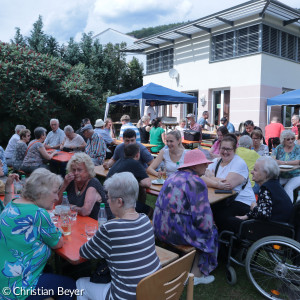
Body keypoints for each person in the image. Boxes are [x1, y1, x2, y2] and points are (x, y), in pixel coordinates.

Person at [76, 172, 160, 300]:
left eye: (109, 198)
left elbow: (83, 252)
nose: (107, 201)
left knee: (80, 284)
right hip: (152, 291)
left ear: (119, 202)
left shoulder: (110, 228)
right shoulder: (145, 220)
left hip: (125, 296)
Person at [0, 168, 76, 300]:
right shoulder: (39, 214)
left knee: (49, 270)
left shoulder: (11, 205)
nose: (57, 197)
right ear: (41, 193)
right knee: (70, 286)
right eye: (54, 192)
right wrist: (57, 232)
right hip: (18, 288)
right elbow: (58, 243)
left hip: (4, 280)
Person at [153, 149, 218, 285]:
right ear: (194, 166)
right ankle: (197, 275)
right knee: (211, 232)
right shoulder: (196, 182)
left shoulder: (172, 176)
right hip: (175, 232)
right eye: (203, 163)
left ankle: (184, 263)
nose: (207, 166)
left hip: (159, 227)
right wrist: (210, 228)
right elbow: (202, 216)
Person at [203, 135, 256, 232]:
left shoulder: (239, 163)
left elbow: (227, 185)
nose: (225, 152)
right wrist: (217, 183)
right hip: (223, 199)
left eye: (229, 149)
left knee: (218, 214)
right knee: (204, 209)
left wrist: (210, 177)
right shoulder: (215, 161)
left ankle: (225, 243)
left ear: (235, 150)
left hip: (242, 201)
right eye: (223, 148)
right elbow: (201, 177)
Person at [235, 156, 293, 227]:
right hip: (283, 225)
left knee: (233, 223)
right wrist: (247, 216)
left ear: (266, 174)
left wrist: (254, 208)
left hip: (274, 227)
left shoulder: (266, 188)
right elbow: (264, 208)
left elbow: (264, 214)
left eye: (255, 170)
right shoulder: (274, 184)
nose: (251, 172)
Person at [58, 152, 108, 219]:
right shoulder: (71, 181)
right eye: (73, 170)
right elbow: (57, 203)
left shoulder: (92, 183)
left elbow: (85, 211)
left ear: (88, 170)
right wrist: (65, 183)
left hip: (98, 223)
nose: (76, 173)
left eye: (79, 170)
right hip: (79, 221)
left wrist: (70, 206)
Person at [107, 144, 153, 216]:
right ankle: (140, 222)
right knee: (150, 209)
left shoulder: (119, 161)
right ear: (137, 155)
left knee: (139, 192)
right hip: (119, 202)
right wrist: (137, 182)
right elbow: (147, 183)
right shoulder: (134, 163)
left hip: (108, 199)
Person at [274, 130, 300, 202]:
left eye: (292, 139)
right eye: (288, 139)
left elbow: (297, 161)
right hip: (282, 175)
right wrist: (275, 161)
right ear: (283, 140)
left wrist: (282, 162)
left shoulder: (298, 148)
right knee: (273, 185)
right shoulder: (279, 148)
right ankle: (276, 204)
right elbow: (272, 158)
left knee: (288, 188)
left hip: (296, 175)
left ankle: (289, 209)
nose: (291, 141)